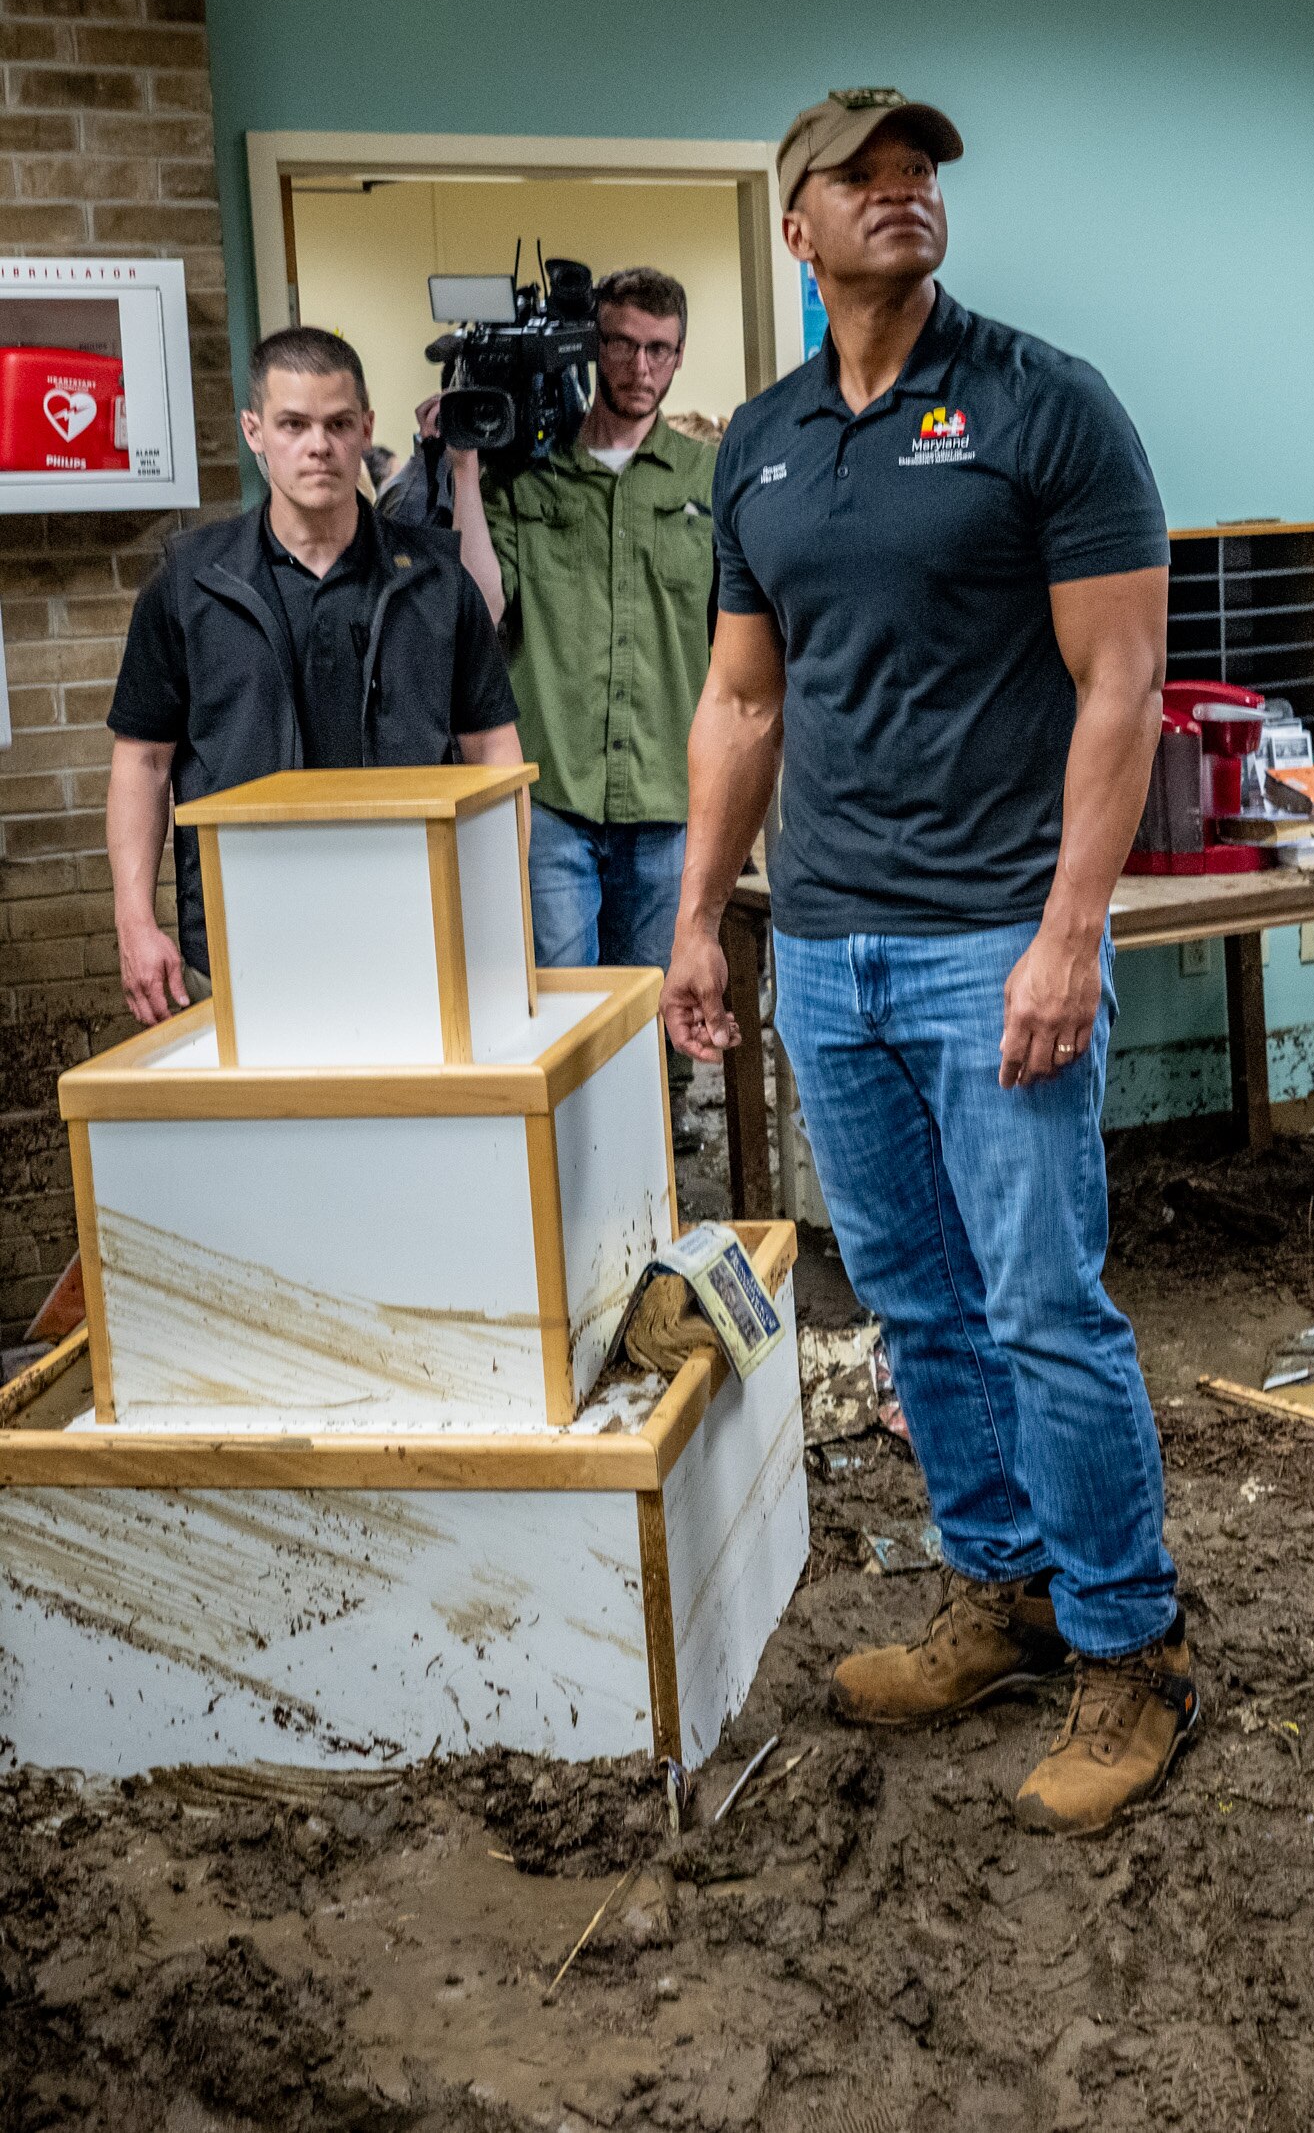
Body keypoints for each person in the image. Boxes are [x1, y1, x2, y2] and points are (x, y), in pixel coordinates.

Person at [662, 89, 1190, 1837]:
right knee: (912, 1302)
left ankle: (1131, 1650)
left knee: (1047, 1305)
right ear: (793, 225)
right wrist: (697, 919)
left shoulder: (1043, 404)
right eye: (863, 177)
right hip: (826, 949)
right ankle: (1006, 1589)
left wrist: (1066, 933)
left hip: (994, 944)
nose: (906, 195)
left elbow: (1121, 689)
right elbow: (745, 699)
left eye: (924, 174)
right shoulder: (762, 441)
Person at [105, 326, 523, 1023]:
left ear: (366, 430)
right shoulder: (190, 583)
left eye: (336, 424)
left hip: (411, 929)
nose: (318, 445)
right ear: (254, 431)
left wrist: (495, 908)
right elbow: (142, 762)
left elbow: (493, 750)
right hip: (241, 940)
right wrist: (133, 921)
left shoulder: (437, 581)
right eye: (293, 424)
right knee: (253, 1134)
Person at [439, 267, 720, 971]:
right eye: (622, 344)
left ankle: (666, 1090)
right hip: (553, 795)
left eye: (660, 348)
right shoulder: (525, 476)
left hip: (669, 797)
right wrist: (464, 471)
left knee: (656, 1019)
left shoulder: (711, 480)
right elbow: (484, 605)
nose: (641, 366)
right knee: (563, 1017)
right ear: (592, 346)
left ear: (680, 355)